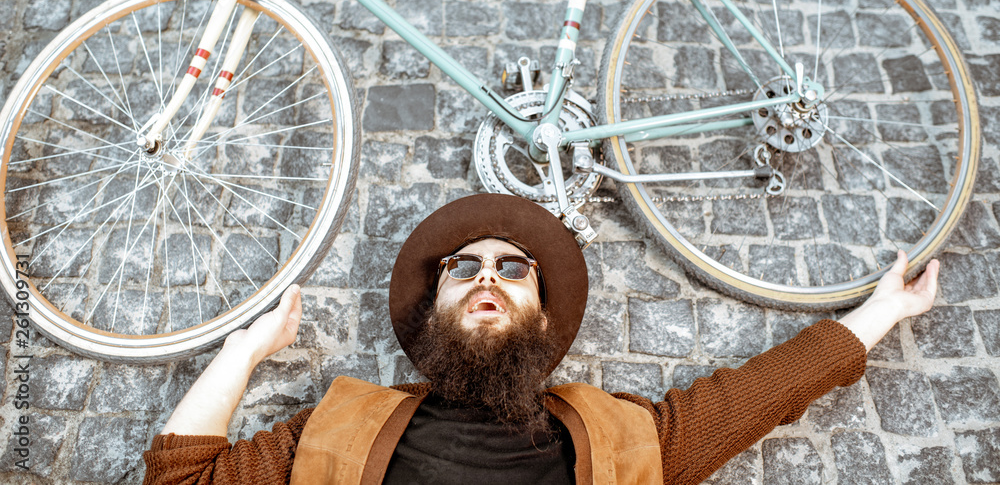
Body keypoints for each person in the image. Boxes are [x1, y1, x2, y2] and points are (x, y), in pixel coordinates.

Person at [143, 193, 939, 484]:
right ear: (431, 316)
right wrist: (243, 350)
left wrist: (881, 313)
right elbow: (180, 481)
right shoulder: (338, 424)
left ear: (545, 320)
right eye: (464, 267)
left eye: (513, 268)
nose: (487, 276)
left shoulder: (623, 436)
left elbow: (761, 393)